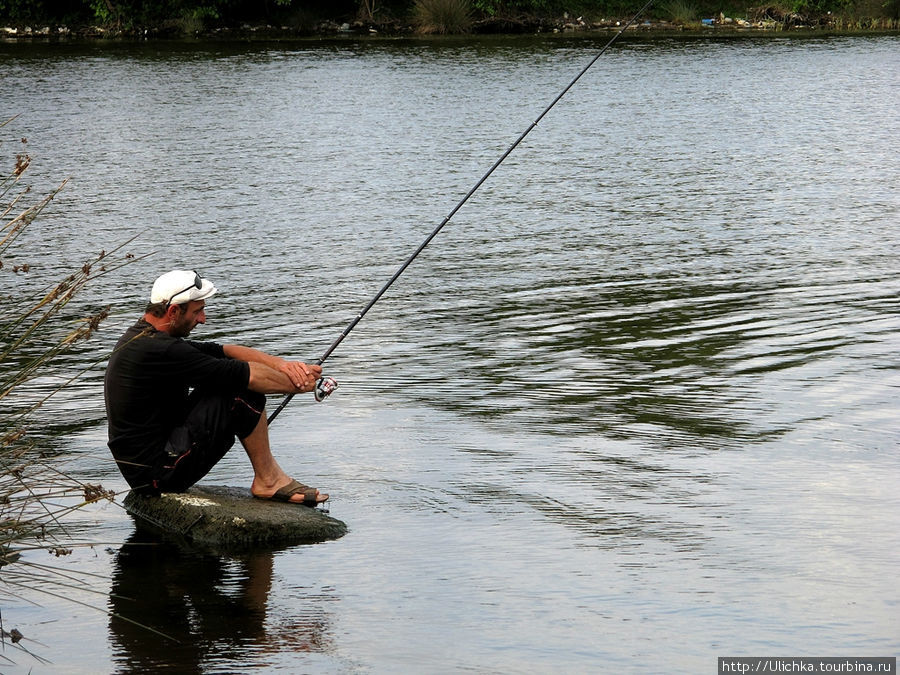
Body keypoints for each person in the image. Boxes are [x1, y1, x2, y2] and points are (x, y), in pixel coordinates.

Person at [104, 269, 328, 506]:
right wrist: (305, 384)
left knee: (231, 375)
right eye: (198, 311)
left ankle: (269, 478)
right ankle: (269, 480)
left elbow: (225, 350)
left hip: (152, 465)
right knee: (240, 391)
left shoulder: (145, 338)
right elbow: (249, 377)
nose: (203, 319)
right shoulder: (161, 350)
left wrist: (285, 366)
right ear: (172, 311)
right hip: (158, 475)